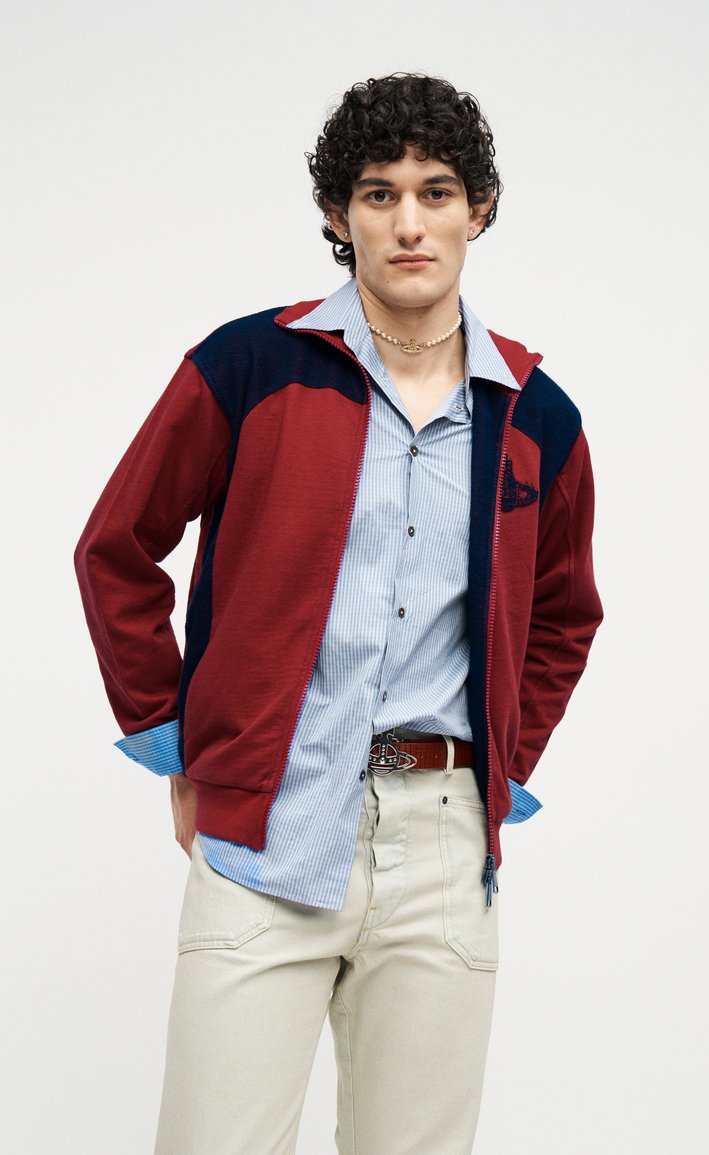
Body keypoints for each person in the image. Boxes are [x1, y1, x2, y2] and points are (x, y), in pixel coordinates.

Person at [75, 72, 603, 1155]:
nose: (408, 221)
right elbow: (116, 548)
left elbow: (563, 614)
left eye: (436, 191)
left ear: (478, 209)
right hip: (266, 824)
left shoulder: (535, 417)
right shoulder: (250, 365)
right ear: (336, 215)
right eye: (376, 193)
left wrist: (498, 767)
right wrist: (181, 743)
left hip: (445, 849)